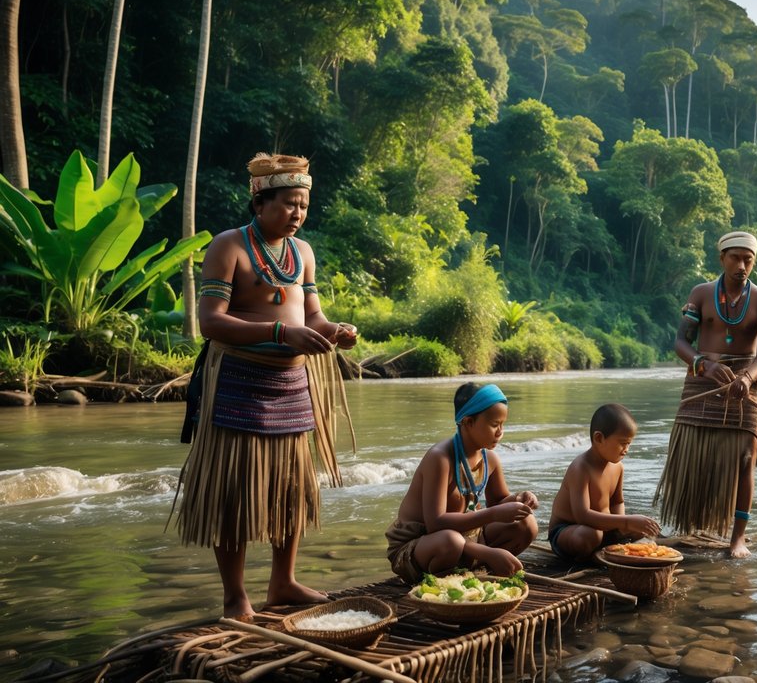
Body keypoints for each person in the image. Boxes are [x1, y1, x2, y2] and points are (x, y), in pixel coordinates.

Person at [173, 153, 358, 620]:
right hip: (238, 377)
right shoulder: (228, 246)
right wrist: (279, 333)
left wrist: (335, 330)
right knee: (233, 486)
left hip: (293, 381)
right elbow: (211, 322)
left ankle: (284, 582)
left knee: (292, 485)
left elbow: (311, 315)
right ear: (260, 202)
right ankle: (236, 597)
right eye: (289, 204)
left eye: (304, 206)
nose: (297, 214)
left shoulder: (304, 253)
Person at [654, 231, 757, 558]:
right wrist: (702, 365)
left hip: (744, 385)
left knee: (746, 459)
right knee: (693, 455)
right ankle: (690, 525)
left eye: (748, 259)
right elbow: (681, 342)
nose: (742, 265)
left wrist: (749, 376)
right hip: (701, 381)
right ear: (721, 258)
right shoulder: (702, 293)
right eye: (735, 257)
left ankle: (737, 538)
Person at [386, 382, 538, 582]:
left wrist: (518, 499)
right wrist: (487, 548)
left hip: (468, 538)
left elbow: (499, 501)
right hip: (422, 546)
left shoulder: (489, 458)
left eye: (503, 424)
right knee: (451, 542)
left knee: (526, 524)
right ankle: (444, 578)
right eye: (494, 424)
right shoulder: (440, 458)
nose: (500, 432)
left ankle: (472, 571)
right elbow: (435, 524)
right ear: (468, 422)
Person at [548, 404, 661, 560]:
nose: (626, 449)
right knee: (589, 535)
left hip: (604, 529)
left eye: (629, 443)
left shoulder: (618, 467)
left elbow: (617, 502)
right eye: (622, 443)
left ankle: (608, 550)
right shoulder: (580, 468)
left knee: (644, 529)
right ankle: (593, 555)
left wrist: (623, 527)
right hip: (569, 530)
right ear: (599, 438)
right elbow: (582, 515)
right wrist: (626, 522)